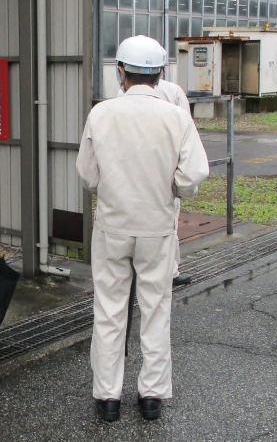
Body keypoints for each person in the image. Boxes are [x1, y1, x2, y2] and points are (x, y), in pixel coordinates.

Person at [76, 35, 209, 421]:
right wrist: (174, 188)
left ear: (120, 72)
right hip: (156, 227)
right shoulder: (176, 115)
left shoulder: (101, 114)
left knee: (109, 309)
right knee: (155, 308)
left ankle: (108, 397)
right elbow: (194, 173)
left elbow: (86, 175)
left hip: (113, 225)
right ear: (160, 74)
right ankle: (151, 396)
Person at [116, 38, 193, 286]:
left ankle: (146, 273)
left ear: (122, 69)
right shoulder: (174, 93)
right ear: (161, 69)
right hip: (164, 179)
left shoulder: (117, 98)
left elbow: (89, 171)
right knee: (167, 228)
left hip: (127, 180)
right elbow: (190, 155)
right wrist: (178, 186)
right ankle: (170, 272)